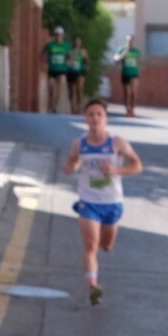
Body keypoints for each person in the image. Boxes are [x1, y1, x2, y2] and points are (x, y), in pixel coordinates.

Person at [62, 97, 143, 305]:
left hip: (112, 202)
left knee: (106, 245)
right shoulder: (79, 143)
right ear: (86, 119)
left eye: (99, 114)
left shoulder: (117, 143)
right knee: (91, 245)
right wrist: (72, 166)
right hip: (88, 201)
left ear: (106, 119)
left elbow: (137, 166)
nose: (95, 118)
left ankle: (105, 247)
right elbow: (74, 159)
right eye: (91, 114)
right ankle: (93, 287)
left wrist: (116, 170)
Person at [44, 26, 71, 113]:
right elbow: (42, 54)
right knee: (51, 89)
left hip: (62, 70)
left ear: (63, 36)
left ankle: (55, 106)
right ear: (54, 36)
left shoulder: (67, 46)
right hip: (52, 70)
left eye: (60, 35)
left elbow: (70, 56)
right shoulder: (50, 45)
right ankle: (51, 106)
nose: (58, 37)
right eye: (56, 35)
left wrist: (69, 61)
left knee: (59, 89)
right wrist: (43, 64)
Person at [115, 34, 141, 116]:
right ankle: (127, 109)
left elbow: (140, 62)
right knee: (127, 93)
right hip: (125, 73)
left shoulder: (136, 51)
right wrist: (125, 52)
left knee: (133, 92)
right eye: (129, 41)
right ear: (126, 41)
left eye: (132, 41)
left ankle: (132, 109)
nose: (130, 42)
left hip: (134, 74)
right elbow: (116, 59)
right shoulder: (121, 49)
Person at [67, 36, 88, 109]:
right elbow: (67, 61)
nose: (77, 43)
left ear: (80, 43)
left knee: (79, 89)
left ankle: (79, 107)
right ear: (73, 42)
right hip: (71, 71)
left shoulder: (83, 51)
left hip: (80, 72)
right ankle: (72, 106)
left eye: (78, 41)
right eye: (76, 41)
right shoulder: (70, 51)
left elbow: (86, 61)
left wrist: (86, 66)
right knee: (72, 91)